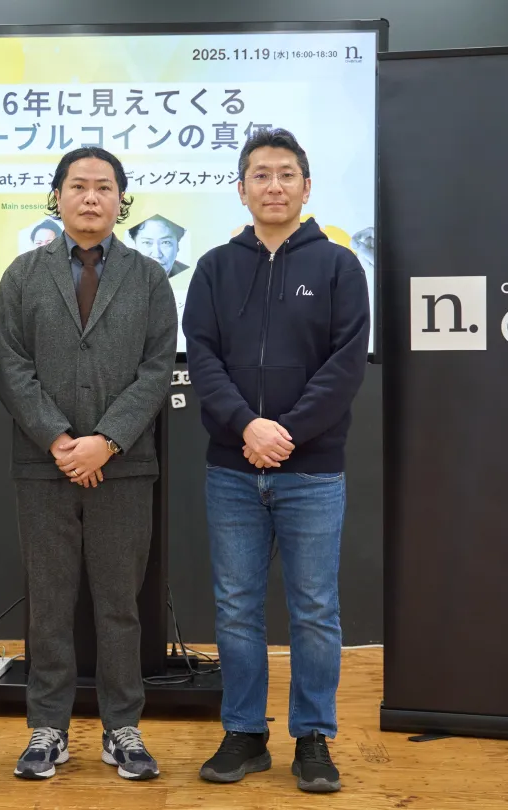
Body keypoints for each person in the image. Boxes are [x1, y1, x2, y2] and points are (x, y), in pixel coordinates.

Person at [182, 128, 370, 794]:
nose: (274, 186)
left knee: (314, 610)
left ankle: (313, 737)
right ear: (242, 189)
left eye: (286, 174)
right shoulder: (214, 267)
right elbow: (201, 356)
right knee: (236, 609)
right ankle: (245, 733)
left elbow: (346, 365)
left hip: (311, 470)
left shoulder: (340, 267)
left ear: (306, 187)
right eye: (260, 175)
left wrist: (284, 432)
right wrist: (247, 427)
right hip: (232, 469)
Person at [0, 146, 178, 781]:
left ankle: (122, 728)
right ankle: (48, 728)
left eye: (104, 187)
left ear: (121, 200)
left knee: (119, 605)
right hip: (43, 469)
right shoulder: (22, 274)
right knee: (49, 604)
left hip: (124, 468)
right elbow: (11, 367)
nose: (91, 197)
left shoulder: (149, 278)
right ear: (58, 196)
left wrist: (107, 441)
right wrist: (59, 440)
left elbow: (157, 370)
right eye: (78, 186)